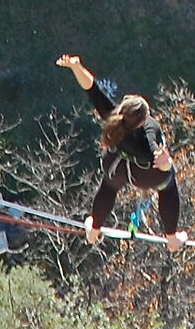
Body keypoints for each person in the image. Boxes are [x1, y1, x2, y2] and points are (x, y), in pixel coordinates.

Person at [57, 53, 187, 248]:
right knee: (167, 185)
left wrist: (76, 67)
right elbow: (158, 158)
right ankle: (172, 239)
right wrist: (166, 163)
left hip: (116, 169)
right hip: (146, 175)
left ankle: (93, 231)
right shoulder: (149, 129)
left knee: (109, 187)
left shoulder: (113, 117)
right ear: (143, 119)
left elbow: (92, 89)